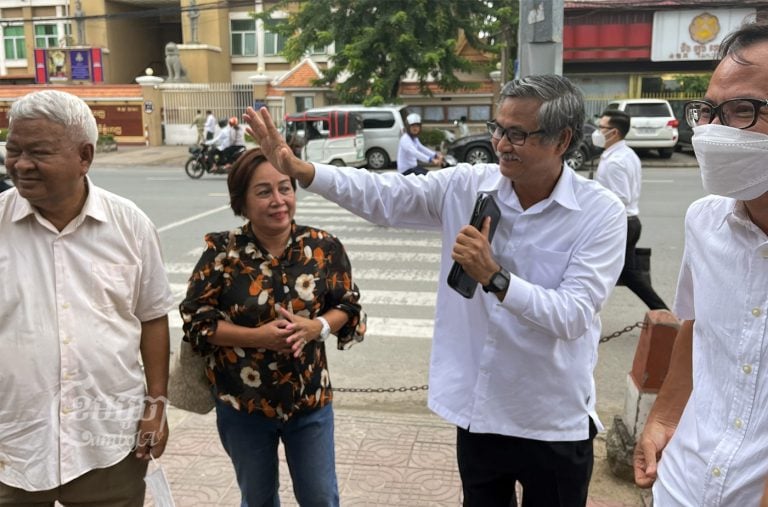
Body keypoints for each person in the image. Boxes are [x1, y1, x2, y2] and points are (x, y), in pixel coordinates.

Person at [244, 74, 628, 507]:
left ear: (563, 141)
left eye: (518, 134)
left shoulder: (600, 214)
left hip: (551, 420)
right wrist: (304, 171)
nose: (502, 143)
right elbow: (385, 195)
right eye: (498, 129)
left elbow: (574, 315)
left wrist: (495, 277)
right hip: (480, 413)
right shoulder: (468, 185)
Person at [0, 89, 174, 504]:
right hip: (13, 446)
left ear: (85, 157)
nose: (22, 165)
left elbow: (152, 317)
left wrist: (156, 405)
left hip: (109, 444)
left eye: (38, 152)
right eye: (13, 150)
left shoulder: (129, 225)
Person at [179, 147, 366, 506]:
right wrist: (256, 338)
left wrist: (317, 328)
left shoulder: (323, 247)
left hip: (309, 401)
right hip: (243, 406)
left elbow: (348, 305)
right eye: (264, 192)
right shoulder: (222, 252)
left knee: (321, 498)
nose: (278, 200)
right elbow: (196, 321)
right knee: (259, 499)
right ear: (242, 201)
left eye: (285, 188)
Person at [633, 21, 768, 505]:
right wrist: (665, 417)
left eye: (741, 110)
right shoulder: (704, 222)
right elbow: (696, 326)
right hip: (682, 483)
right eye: (707, 111)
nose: (710, 131)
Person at [593, 109, 669, 310]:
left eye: (601, 128)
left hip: (621, 224)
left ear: (614, 133)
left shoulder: (616, 161)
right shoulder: (625, 154)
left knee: (622, 272)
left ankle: (663, 312)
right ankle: (662, 312)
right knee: (624, 272)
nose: (597, 132)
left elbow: (621, 197)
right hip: (629, 222)